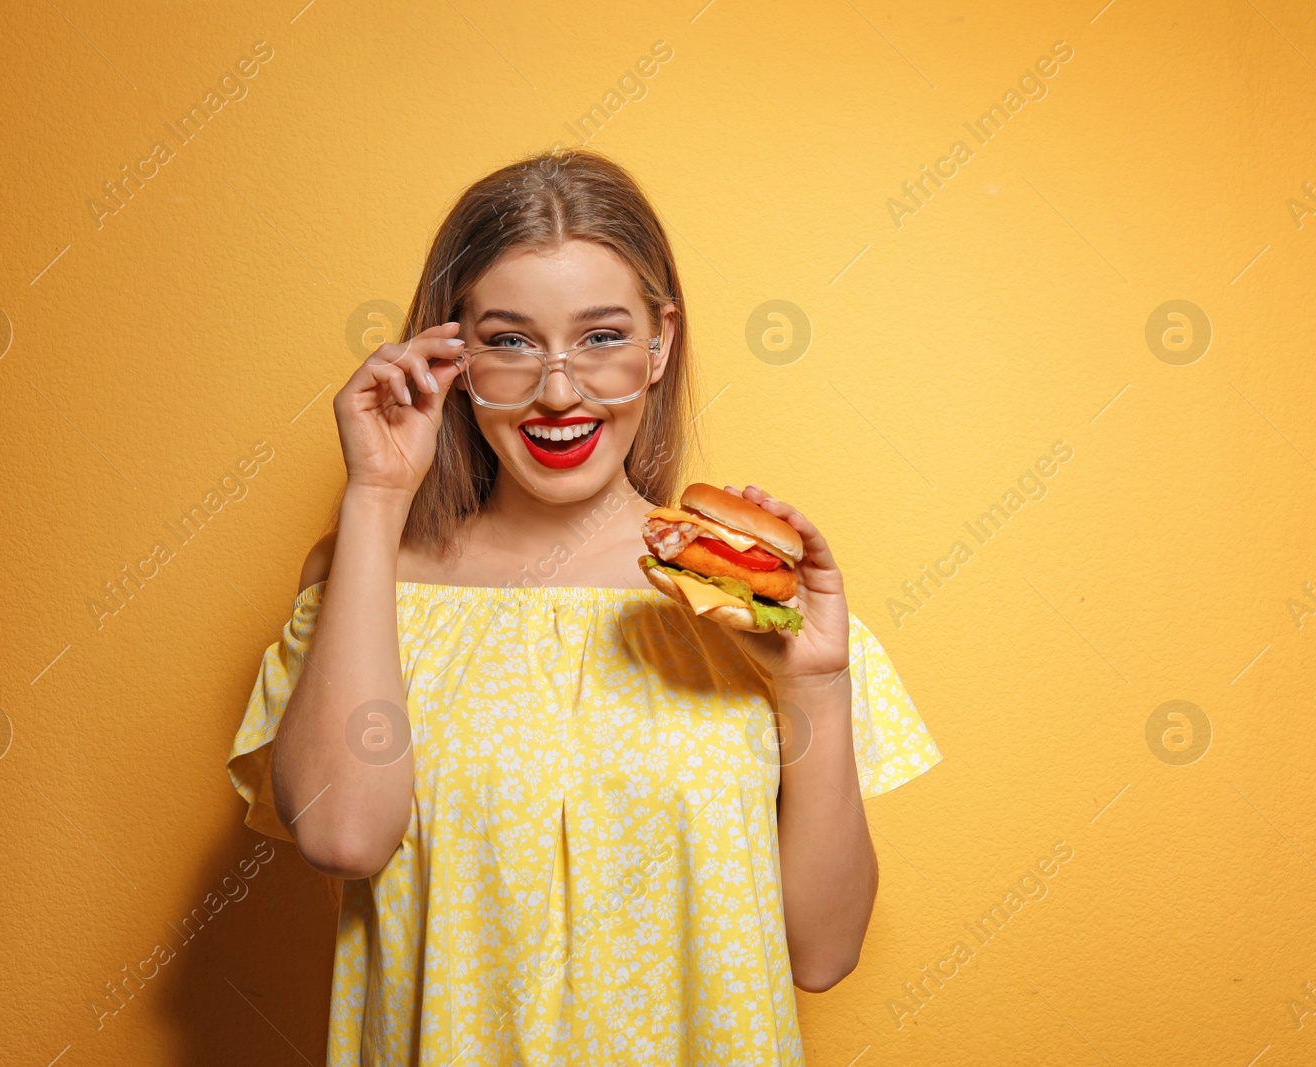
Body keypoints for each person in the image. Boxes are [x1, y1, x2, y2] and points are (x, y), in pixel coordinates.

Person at [227, 149, 941, 1064]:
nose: (558, 391)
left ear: (662, 343)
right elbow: (342, 834)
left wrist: (818, 685)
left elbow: (824, 950)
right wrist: (376, 493)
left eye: (602, 336)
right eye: (511, 340)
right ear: (451, 352)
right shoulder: (370, 580)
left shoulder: (746, 595)